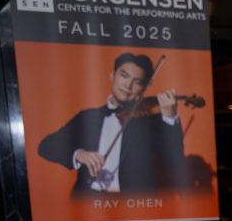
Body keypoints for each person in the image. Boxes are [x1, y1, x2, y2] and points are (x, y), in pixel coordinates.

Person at [37, 52, 185, 195]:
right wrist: (79, 154)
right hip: (89, 203)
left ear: (144, 88)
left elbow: (174, 161)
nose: (128, 85)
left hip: (133, 206)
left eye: (137, 82)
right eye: (124, 75)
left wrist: (170, 117)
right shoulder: (88, 117)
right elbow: (46, 146)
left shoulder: (150, 121)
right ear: (112, 75)